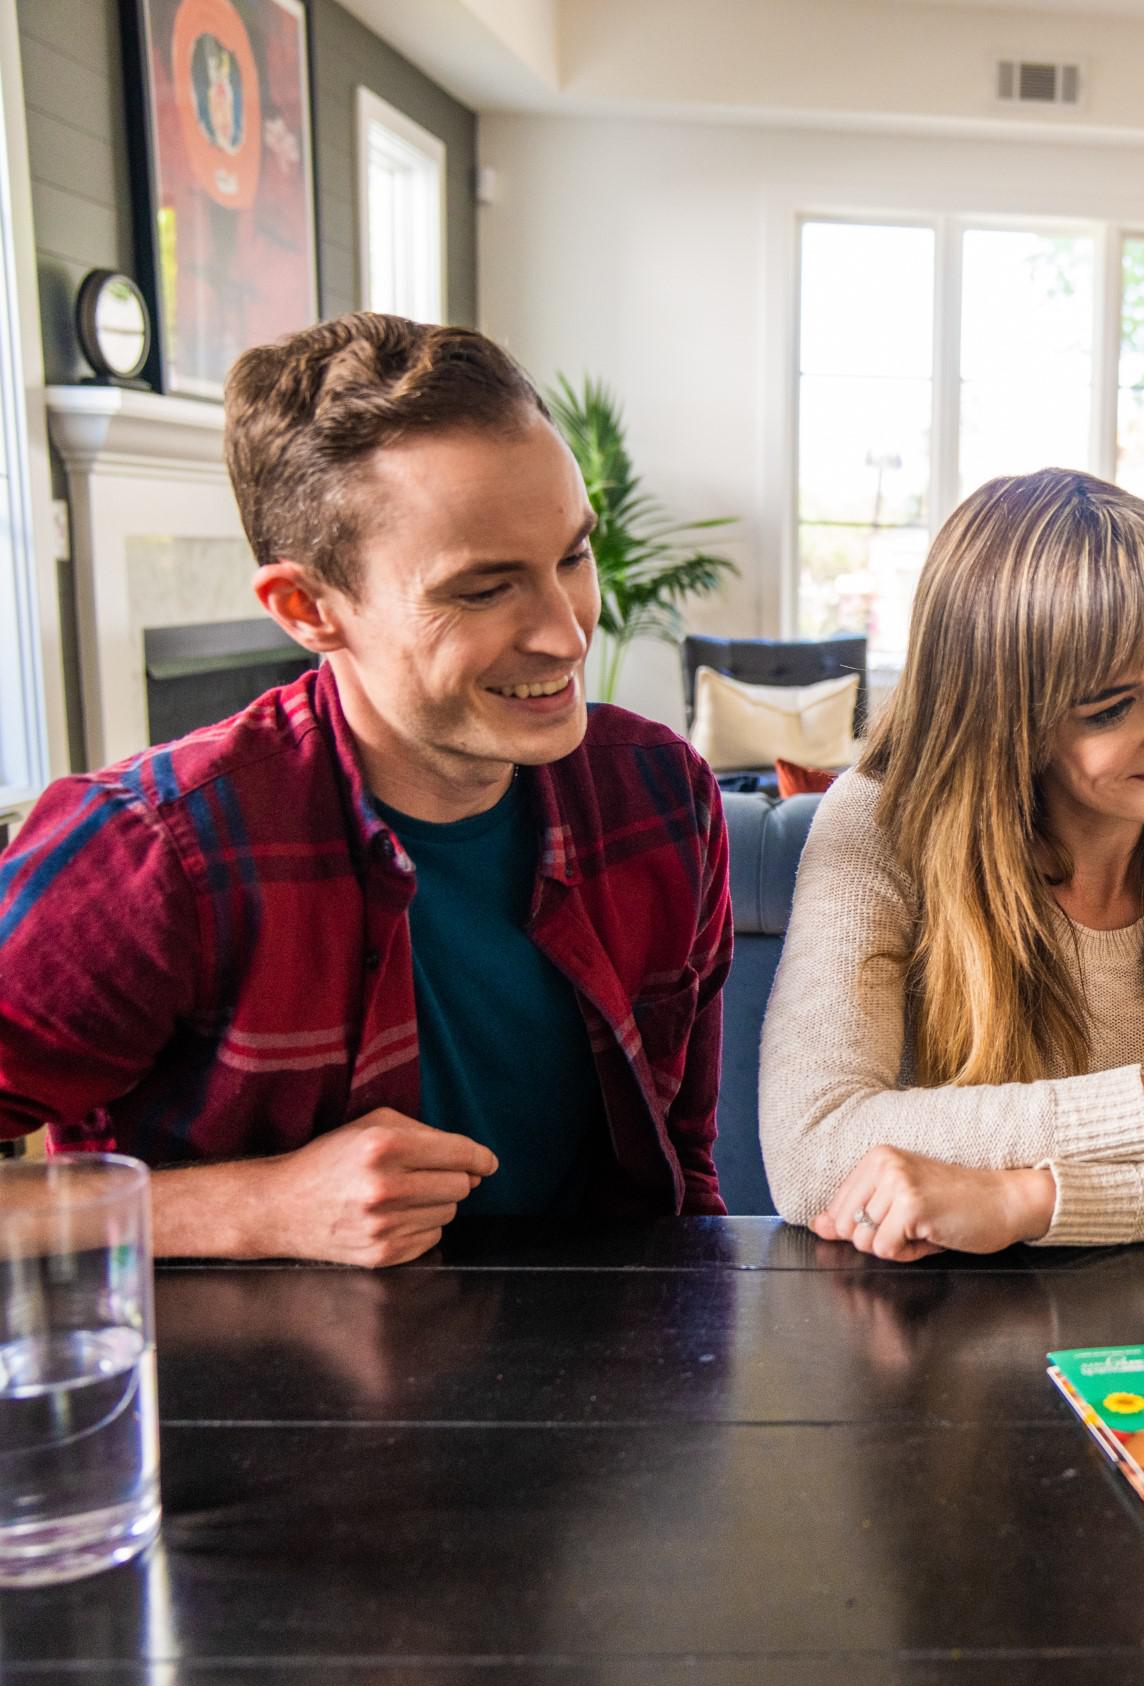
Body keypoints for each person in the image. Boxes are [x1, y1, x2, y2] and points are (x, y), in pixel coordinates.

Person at [0, 313, 733, 1263]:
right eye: (482, 589)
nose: (566, 632)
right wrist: (257, 1208)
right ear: (307, 608)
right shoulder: (153, 855)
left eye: (572, 556)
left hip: (609, 1382)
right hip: (254, 1401)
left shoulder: (661, 796)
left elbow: (684, 1170)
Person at [759, 468, 1144, 1257]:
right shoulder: (880, 828)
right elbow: (814, 1150)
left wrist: (1027, 1198)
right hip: (930, 1339)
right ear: (1007, 723)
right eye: (1113, 707)